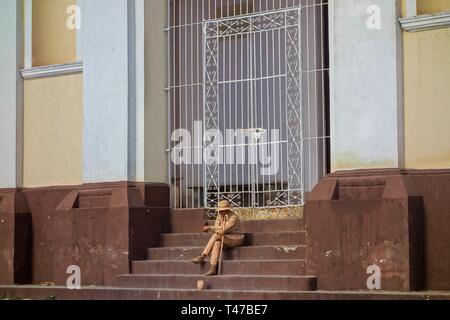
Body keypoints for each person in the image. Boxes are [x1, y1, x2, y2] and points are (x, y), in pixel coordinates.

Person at [190, 200, 245, 276]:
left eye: (222, 210)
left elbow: (223, 230)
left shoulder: (233, 217)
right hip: (225, 238)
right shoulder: (219, 216)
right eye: (220, 211)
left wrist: (209, 227)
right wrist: (216, 228)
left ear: (227, 210)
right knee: (217, 242)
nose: (221, 212)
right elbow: (217, 228)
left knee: (216, 235)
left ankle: (203, 256)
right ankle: (213, 267)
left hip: (236, 238)